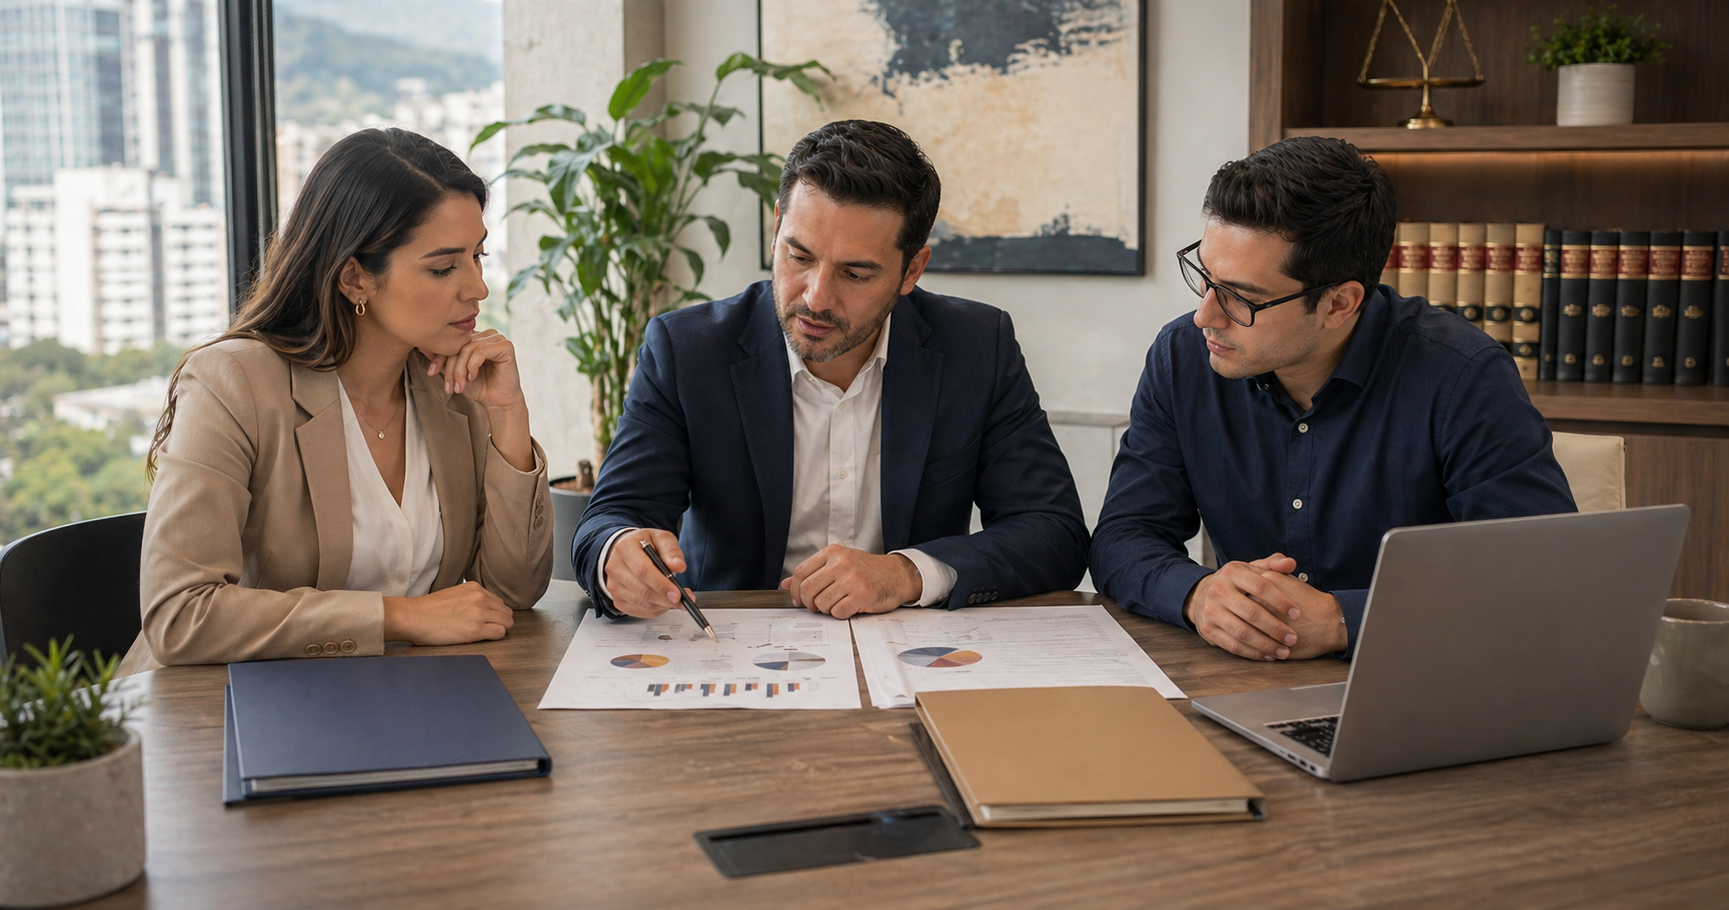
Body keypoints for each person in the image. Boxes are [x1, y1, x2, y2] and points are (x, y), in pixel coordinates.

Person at [573, 120, 1088, 620]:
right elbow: (612, 518)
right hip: (729, 652)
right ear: (777, 227)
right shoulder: (687, 349)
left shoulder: (976, 347)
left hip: (914, 653)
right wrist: (617, 553)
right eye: (799, 256)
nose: (816, 298)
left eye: (855, 273)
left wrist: (905, 573)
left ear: (912, 269)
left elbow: (1054, 532)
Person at [1090, 136, 1576, 662]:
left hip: (1421, 679)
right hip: (1245, 682)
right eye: (1204, 276)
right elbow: (1123, 536)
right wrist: (1197, 594)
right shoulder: (1183, 358)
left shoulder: (1462, 376)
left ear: (1339, 304)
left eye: (1243, 297)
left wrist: (1346, 619)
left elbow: (1534, 576)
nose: (1206, 315)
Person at [129, 128, 553, 671]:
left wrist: (507, 416)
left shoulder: (453, 383)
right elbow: (180, 614)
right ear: (355, 278)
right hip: (250, 711)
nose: (478, 288)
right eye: (444, 267)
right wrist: (398, 617)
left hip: (421, 699)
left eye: (479, 256)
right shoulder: (233, 383)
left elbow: (512, 592)